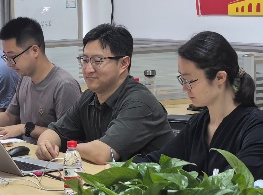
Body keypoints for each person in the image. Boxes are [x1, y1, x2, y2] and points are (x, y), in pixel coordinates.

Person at [135, 31, 263, 178]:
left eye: (189, 81)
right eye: (182, 80)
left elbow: (234, 181)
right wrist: (122, 168)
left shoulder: (258, 126)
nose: (185, 89)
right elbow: (157, 162)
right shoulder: (198, 123)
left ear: (220, 77)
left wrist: (179, 182)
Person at [36, 23, 173, 164]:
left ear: (123, 63)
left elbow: (101, 154)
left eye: (97, 61)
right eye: (85, 60)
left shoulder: (140, 103)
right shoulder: (89, 97)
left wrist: (68, 146)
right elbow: (54, 132)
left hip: (151, 178)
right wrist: (46, 145)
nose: (88, 69)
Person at [0, 16, 82, 144]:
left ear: (34, 50)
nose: (9, 64)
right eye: (6, 57)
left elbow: (67, 136)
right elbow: (9, 117)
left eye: (13, 57)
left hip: (52, 156)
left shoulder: (64, 85)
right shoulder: (25, 79)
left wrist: (26, 128)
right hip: (27, 152)